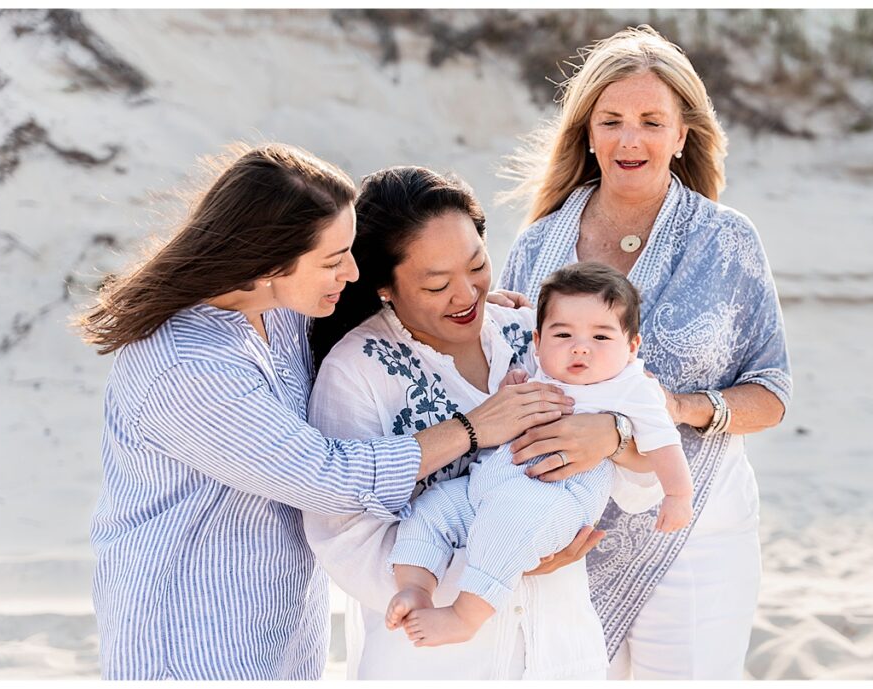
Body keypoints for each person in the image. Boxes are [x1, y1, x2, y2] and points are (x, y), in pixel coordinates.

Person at [75, 143, 572, 680]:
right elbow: (330, 477)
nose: (353, 271)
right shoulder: (187, 368)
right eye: (334, 260)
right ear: (267, 263)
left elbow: (390, 303)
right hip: (192, 632)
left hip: (283, 623)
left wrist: (468, 300)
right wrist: (474, 429)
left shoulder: (279, 311)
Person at [499, 25, 793, 679]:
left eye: (651, 121)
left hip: (693, 533)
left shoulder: (725, 242)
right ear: (589, 132)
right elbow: (507, 390)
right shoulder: (537, 247)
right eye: (612, 120)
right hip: (564, 533)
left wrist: (681, 407)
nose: (631, 139)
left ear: (682, 134)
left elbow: (771, 391)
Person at [305, 166, 661, 680]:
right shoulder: (357, 370)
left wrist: (614, 437)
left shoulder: (537, 333)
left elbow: (644, 481)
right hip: (437, 663)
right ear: (384, 286)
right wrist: (497, 566)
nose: (467, 294)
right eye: (436, 284)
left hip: (558, 646)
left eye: (476, 266)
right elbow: (345, 537)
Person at [385, 261, 692, 647]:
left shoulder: (632, 388)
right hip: (485, 483)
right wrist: (513, 386)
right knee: (433, 508)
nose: (580, 347)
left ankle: (466, 615)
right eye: (562, 334)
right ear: (538, 340)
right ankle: (415, 586)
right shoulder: (542, 372)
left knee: (510, 524)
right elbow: (508, 408)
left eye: (601, 337)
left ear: (631, 347)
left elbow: (664, 442)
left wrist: (679, 495)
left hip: (556, 495)